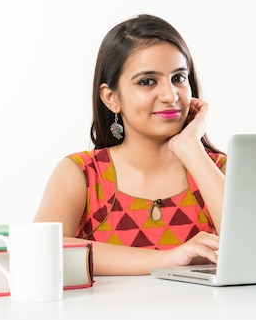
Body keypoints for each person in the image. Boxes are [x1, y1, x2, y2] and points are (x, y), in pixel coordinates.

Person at [33, 14, 227, 275]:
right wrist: (170, 259)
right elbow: (41, 249)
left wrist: (191, 148)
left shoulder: (219, 170)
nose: (170, 95)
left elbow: (255, 248)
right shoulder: (81, 173)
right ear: (111, 97)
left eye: (179, 78)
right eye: (147, 81)